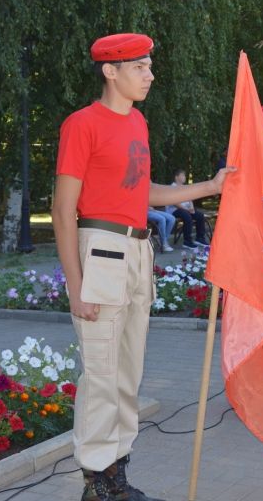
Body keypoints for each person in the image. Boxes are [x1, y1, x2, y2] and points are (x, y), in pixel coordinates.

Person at [52, 32, 232, 501]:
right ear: (110, 71)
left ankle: (117, 473)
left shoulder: (138, 124)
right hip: (100, 249)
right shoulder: (82, 124)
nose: (150, 75)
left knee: (128, 374)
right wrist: (76, 285)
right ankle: (96, 480)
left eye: (150, 67)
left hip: (137, 251)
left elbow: (143, 191)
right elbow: (62, 209)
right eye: (139, 67)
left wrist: (208, 188)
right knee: (102, 374)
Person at [166, 169, 210, 251]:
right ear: (176, 177)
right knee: (187, 216)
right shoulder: (172, 187)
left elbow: (190, 199)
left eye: (184, 175)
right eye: (182, 175)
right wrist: (187, 209)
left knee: (200, 215)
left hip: (186, 209)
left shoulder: (184, 187)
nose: (184, 177)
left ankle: (199, 238)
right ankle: (187, 241)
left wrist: (192, 208)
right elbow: (175, 202)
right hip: (175, 210)